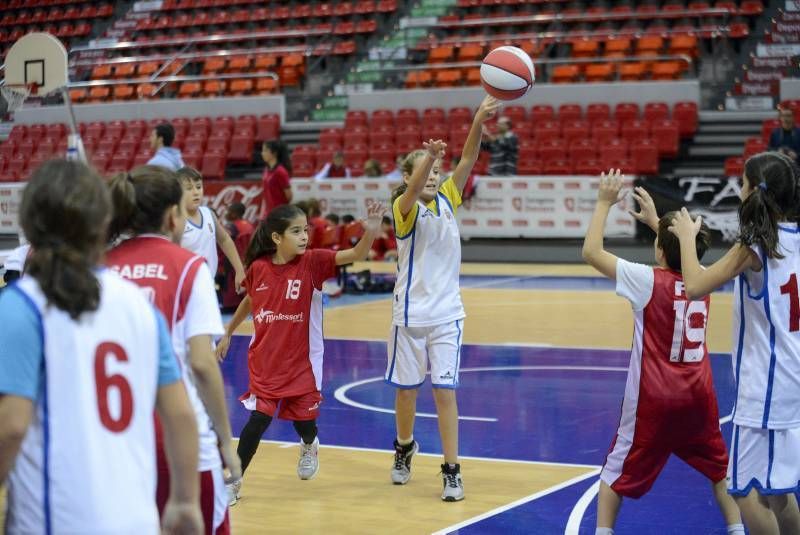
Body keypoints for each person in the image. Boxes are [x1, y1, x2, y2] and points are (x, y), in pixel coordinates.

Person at [0, 159, 202, 533]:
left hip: (56, 520)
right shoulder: (138, 304)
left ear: (28, 224)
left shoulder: (19, 305)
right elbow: (181, 415)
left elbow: (11, 427)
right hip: (136, 519)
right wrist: (186, 501)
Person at [582, 170, 744, 535]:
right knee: (721, 473)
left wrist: (604, 203)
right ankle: (737, 530)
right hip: (698, 397)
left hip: (653, 400)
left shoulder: (646, 280)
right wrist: (661, 225)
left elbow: (591, 252)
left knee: (612, 473)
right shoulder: (705, 276)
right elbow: (682, 255)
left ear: (658, 250)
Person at [215, 201, 385, 504]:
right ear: (277, 238)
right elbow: (251, 300)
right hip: (265, 360)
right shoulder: (259, 268)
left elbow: (357, 255)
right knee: (258, 421)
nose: (305, 235)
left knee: (303, 423)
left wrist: (371, 230)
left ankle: (309, 443)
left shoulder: (314, 262)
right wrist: (228, 331)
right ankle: (233, 482)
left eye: (305, 229)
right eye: (296, 231)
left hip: (302, 363)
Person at [670, 151, 800, 535]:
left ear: (752, 191)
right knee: (778, 494)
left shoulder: (754, 247)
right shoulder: (793, 239)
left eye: (741, 183)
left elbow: (694, 286)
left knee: (745, 493)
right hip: (791, 382)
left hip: (764, 389)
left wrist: (687, 240)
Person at [106, 166, 241, 533]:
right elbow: (201, 363)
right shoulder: (189, 268)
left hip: (111, 443)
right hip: (178, 441)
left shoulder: (100, 269)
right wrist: (227, 442)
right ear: (172, 215)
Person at [387, 95, 501, 502]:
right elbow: (414, 187)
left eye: (437, 169)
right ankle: (404, 447)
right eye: (426, 170)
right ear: (408, 175)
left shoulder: (450, 198)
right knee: (406, 391)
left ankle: (451, 469)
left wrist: (476, 120)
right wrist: (425, 160)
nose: (433, 175)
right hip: (409, 315)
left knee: (444, 391)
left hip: (447, 316)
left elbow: (468, 157)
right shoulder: (404, 208)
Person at [176, 167, 246, 293]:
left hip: (208, 283)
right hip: (183, 286)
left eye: (198, 187)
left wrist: (239, 270)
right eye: (189, 188)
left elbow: (225, 240)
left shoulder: (208, 213)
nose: (196, 192)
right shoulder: (175, 220)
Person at [260, 140, 293, 218]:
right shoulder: (266, 170)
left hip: (279, 214)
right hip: (268, 213)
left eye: (265, 150)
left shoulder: (280, 171)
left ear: (274, 153)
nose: (262, 153)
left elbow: (289, 196)